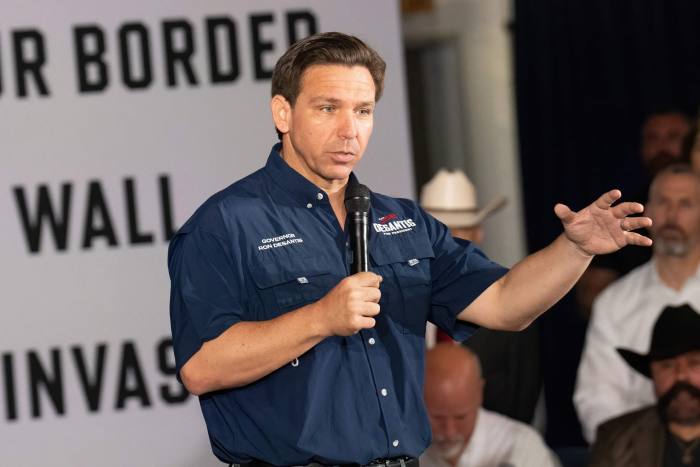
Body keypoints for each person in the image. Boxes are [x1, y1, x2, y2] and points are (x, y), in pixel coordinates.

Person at [168, 32, 651, 466]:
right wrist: (320, 318)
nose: (348, 130)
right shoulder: (225, 225)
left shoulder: (401, 220)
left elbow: (506, 304)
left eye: (363, 110)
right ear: (282, 113)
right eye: (327, 108)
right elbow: (202, 367)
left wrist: (573, 249)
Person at [575, 164, 700, 443]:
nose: (672, 214)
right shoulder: (614, 302)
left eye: (685, 204)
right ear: (648, 211)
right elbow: (597, 400)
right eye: (663, 202)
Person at [420, 169, 540, 424]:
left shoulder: (511, 313)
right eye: (437, 232)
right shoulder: (395, 308)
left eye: (457, 231)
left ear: (478, 233)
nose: (446, 243)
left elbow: (520, 406)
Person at [576, 110, 692, 319]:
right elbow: (592, 296)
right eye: (653, 138)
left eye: (673, 137)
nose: (662, 147)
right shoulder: (622, 213)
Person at [589, 304, 700, 467]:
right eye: (667, 366)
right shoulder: (617, 439)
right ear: (652, 374)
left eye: (694, 363)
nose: (680, 375)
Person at [421, 344, 560, 467]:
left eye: (460, 417)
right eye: (437, 418)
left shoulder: (521, 446)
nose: (449, 432)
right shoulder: (404, 447)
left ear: (479, 393)